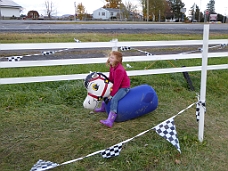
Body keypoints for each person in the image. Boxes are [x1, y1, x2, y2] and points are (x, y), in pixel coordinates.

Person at [94, 51, 130, 128]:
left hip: (124, 88)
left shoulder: (119, 69)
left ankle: (110, 120)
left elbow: (117, 85)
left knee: (114, 99)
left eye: (112, 57)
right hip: (117, 85)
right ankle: (103, 108)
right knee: (106, 91)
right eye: (110, 56)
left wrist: (111, 95)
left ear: (117, 60)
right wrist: (106, 86)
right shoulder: (112, 66)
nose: (110, 58)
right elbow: (111, 78)